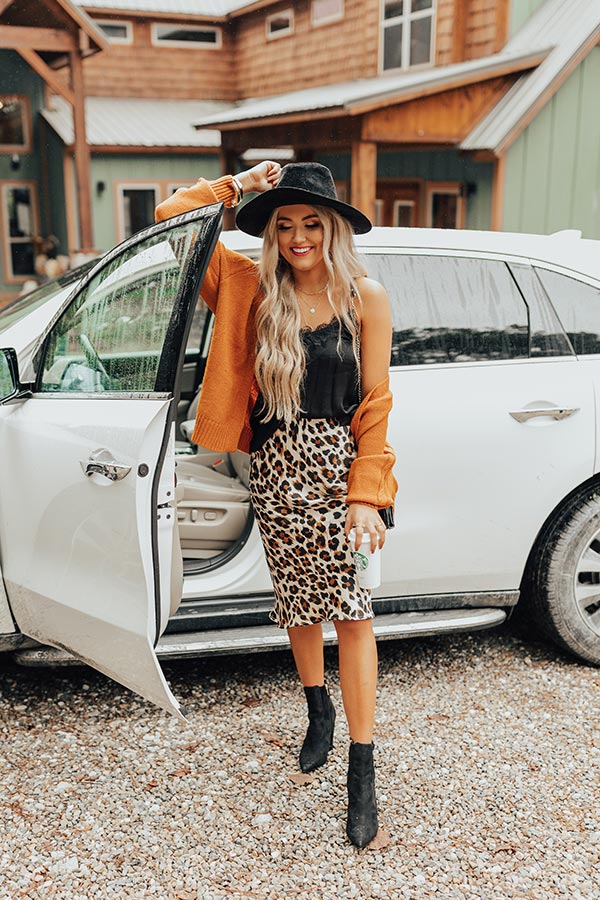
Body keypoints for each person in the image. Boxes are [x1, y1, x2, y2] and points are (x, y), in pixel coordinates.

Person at [156, 161, 397, 849]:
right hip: (275, 471)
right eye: (284, 225)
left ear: (334, 228)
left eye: (311, 223)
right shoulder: (251, 288)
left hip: (339, 475)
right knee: (296, 602)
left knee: (352, 613)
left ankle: (362, 772)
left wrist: (367, 495)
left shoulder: (364, 297)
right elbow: (172, 218)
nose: (298, 237)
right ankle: (317, 709)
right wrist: (238, 185)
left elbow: (376, 402)